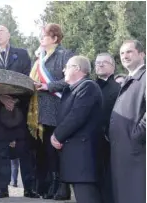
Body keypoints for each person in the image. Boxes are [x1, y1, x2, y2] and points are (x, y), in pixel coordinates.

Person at [0, 25, 37, 199]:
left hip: (20, 108)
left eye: (0, 31)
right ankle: (2, 188)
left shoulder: (21, 54)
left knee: (25, 151)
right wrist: (0, 98)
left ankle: (30, 188)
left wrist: (16, 100)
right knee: (1, 152)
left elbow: (28, 78)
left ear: (9, 35)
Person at [27, 23, 74, 200]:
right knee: (44, 151)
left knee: (55, 150)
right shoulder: (39, 58)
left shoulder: (65, 55)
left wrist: (48, 86)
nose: (41, 39)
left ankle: (61, 186)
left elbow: (69, 80)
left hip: (58, 109)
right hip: (39, 111)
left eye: (44, 36)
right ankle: (46, 186)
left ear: (55, 38)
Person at [52, 55, 103, 203]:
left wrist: (56, 135)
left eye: (67, 66)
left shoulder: (88, 86)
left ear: (77, 68)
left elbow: (76, 116)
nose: (63, 70)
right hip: (75, 156)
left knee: (87, 197)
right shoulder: (74, 89)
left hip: (84, 157)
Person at [109, 40, 146, 203]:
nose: (124, 56)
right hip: (124, 151)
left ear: (142, 54)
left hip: (138, 153)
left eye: (129, 52)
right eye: (122, 53)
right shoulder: (129, 78)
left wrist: (136, 136)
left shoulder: (144, 77)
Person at [94, 52, 120, 203]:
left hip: (109, 142)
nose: (100, 64)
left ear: (113, 66)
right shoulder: (89, 86)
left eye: (104, 62)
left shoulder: (118, 88)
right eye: (97, 62)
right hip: (89, 141)